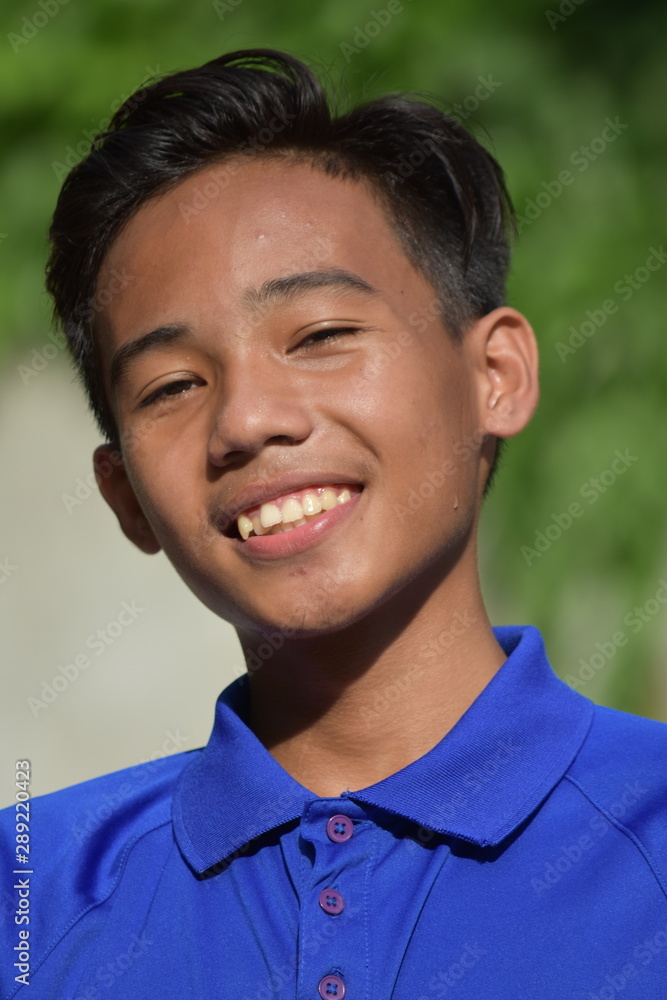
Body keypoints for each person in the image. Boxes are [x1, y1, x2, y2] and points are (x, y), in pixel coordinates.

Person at [2, 47, 666, 1000]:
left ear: (495, 376)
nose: (245, 420)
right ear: (124, 497)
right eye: (173, 385)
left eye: (318, 337)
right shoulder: (32, 899)